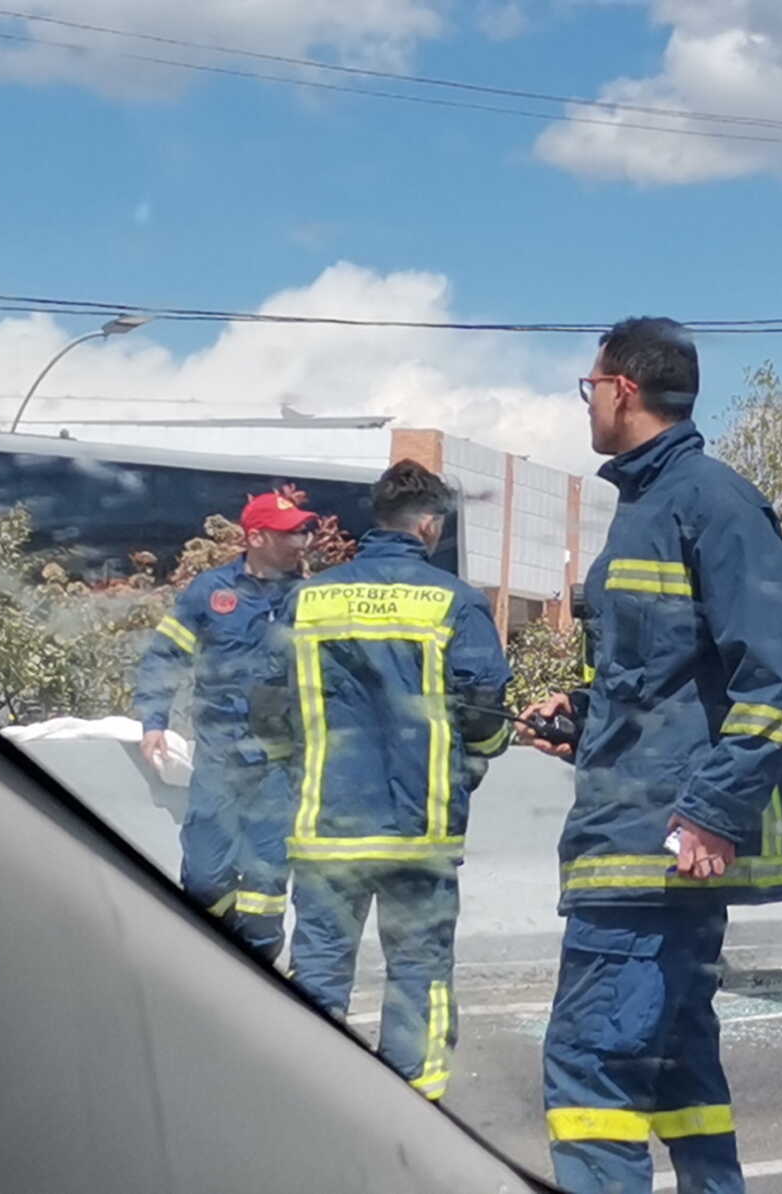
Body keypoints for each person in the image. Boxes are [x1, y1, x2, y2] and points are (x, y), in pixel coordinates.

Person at [517, 317, 782, 1194]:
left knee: (592, 1074)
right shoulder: (646, 507)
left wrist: (713, 810)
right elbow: (663, 680)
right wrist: (582, 712)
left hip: (655, 850)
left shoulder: (712, 502)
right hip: (643, 831)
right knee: (679, 1073)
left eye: (590, 387)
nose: (589, 403)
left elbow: (774, 675)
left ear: (623, 391)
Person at [263, 461, 512, 1102]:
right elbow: (483, 709)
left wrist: (297, 767)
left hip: (326, 828)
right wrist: (476, 761)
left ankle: (312, 1105)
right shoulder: (454, 601)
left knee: (317, 973)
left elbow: (266, 707)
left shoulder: (308, 597)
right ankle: (413, 1112)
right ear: (429, 525)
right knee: (418, 971)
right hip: (417, 833)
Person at [131, 489, 319, 962]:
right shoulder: (210, 593)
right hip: (218, 764)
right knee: (202, 880)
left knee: (266, 892)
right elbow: (165, 656)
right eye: (289, 532)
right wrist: (153, 721)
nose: (302, 540)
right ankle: (220, 948)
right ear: (256, 537)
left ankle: (256, 969)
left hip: (280, 771)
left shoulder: (312, 599)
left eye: (303, 530)